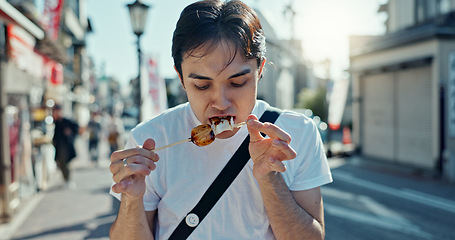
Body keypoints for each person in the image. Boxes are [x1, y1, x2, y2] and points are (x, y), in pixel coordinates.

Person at [109, 1, 332, 239]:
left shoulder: (297, 132)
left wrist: (270, 178)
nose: (221, 102)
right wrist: (131, 200)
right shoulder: (149, 140)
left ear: (260, 70)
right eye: (202, 85)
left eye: (237, 83)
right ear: (181, 78)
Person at [52, 104, 79, 187]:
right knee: (60, 163)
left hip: (66, 146)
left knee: (65, 162)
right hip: (59, 146)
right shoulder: (56, 122)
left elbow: (76, 128)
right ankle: (66, 179)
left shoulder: (66, 121)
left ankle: (68, 179)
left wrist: (70, 133)